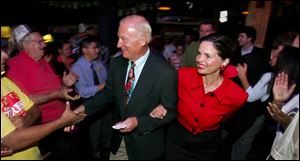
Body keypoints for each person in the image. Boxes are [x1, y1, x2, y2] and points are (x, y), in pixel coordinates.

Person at [71, 15, 178, 160]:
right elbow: (107, 94)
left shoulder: (165, 72)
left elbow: (170, 112)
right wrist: (81, 110)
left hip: (145, 147)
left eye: (124, 39)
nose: (118, 44)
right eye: (118, 38)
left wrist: (139, 122)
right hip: (118, 143)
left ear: (143, 39)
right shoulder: (116, 64)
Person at [153, 34, 248, 160]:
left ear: (224, 62)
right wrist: (161, 105)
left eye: (207, 56)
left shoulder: (238, 96)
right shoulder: (182, 76)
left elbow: (225, 118)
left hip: (207, 146)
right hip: (177, 140)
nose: (199, 59)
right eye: (199, 53)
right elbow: (162, 94)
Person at [6, 24, 80, 160]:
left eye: (43, 41)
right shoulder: (14, 65)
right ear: (26, 45)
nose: (44, 45)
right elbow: (26, 99)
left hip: (62, 119)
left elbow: (55, 88)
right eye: (39, 42)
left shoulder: (42, 61)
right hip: (45, 125)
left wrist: (65, 84)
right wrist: (58, 94)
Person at [71, 36, 112, 160]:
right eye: (94, 48)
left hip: (105, 103)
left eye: (97, 48)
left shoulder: (98, 63)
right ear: (84, 50)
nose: (98, 50)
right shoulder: (77, 67)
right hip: (90, 104)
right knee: (94, 136)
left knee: (107, 133)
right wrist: (102, 86)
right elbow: (82, 92)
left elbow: (106, 79)